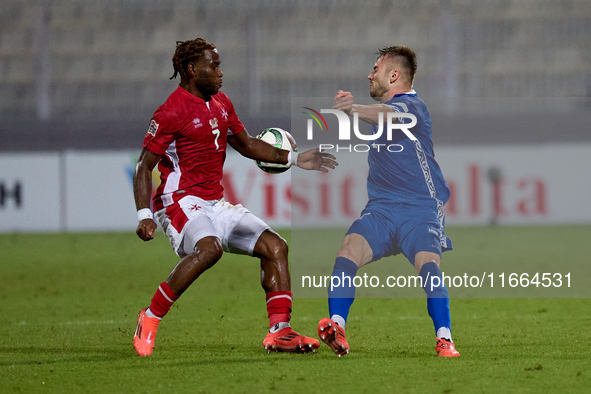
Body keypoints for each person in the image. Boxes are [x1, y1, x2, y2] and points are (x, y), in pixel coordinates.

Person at [132, 38, 337, 357]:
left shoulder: (222, 103)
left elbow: (246, 144)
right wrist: (144, 215)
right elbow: (143, 166)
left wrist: (295, 159)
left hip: (214, 202)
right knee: (210, 249)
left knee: (276, 247)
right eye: (213, 66)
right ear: (191, 69)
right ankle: (151, 316)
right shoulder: (171, 111)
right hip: (178, 201)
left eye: (220, 65)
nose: (220, 72)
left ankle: (280, 332)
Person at [317, 46, 460, 357]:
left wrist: (353, 109)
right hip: (381, 209)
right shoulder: (383, 112)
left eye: (376, 69)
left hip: (419, 209)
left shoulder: (414, 107)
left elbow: (389, 117)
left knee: (428, 265)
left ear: (394, 75)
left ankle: (445, 338)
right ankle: (337, 326)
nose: (370, 75)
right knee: (348, 250)